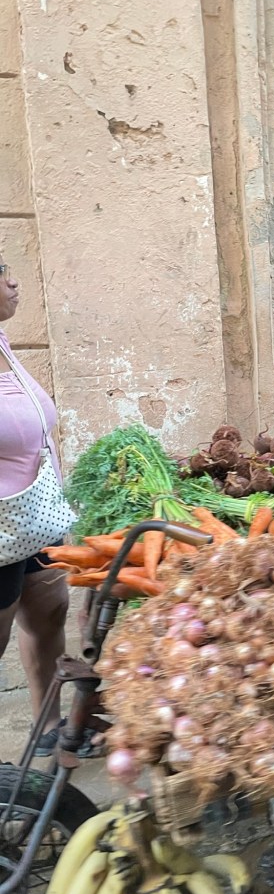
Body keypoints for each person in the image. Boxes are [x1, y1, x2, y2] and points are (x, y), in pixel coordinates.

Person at [0, 257, 98, 757]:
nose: (12, 280)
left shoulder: (2, 344)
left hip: (35, 518)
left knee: (48, 615)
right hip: (1, 529)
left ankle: (47, 727)